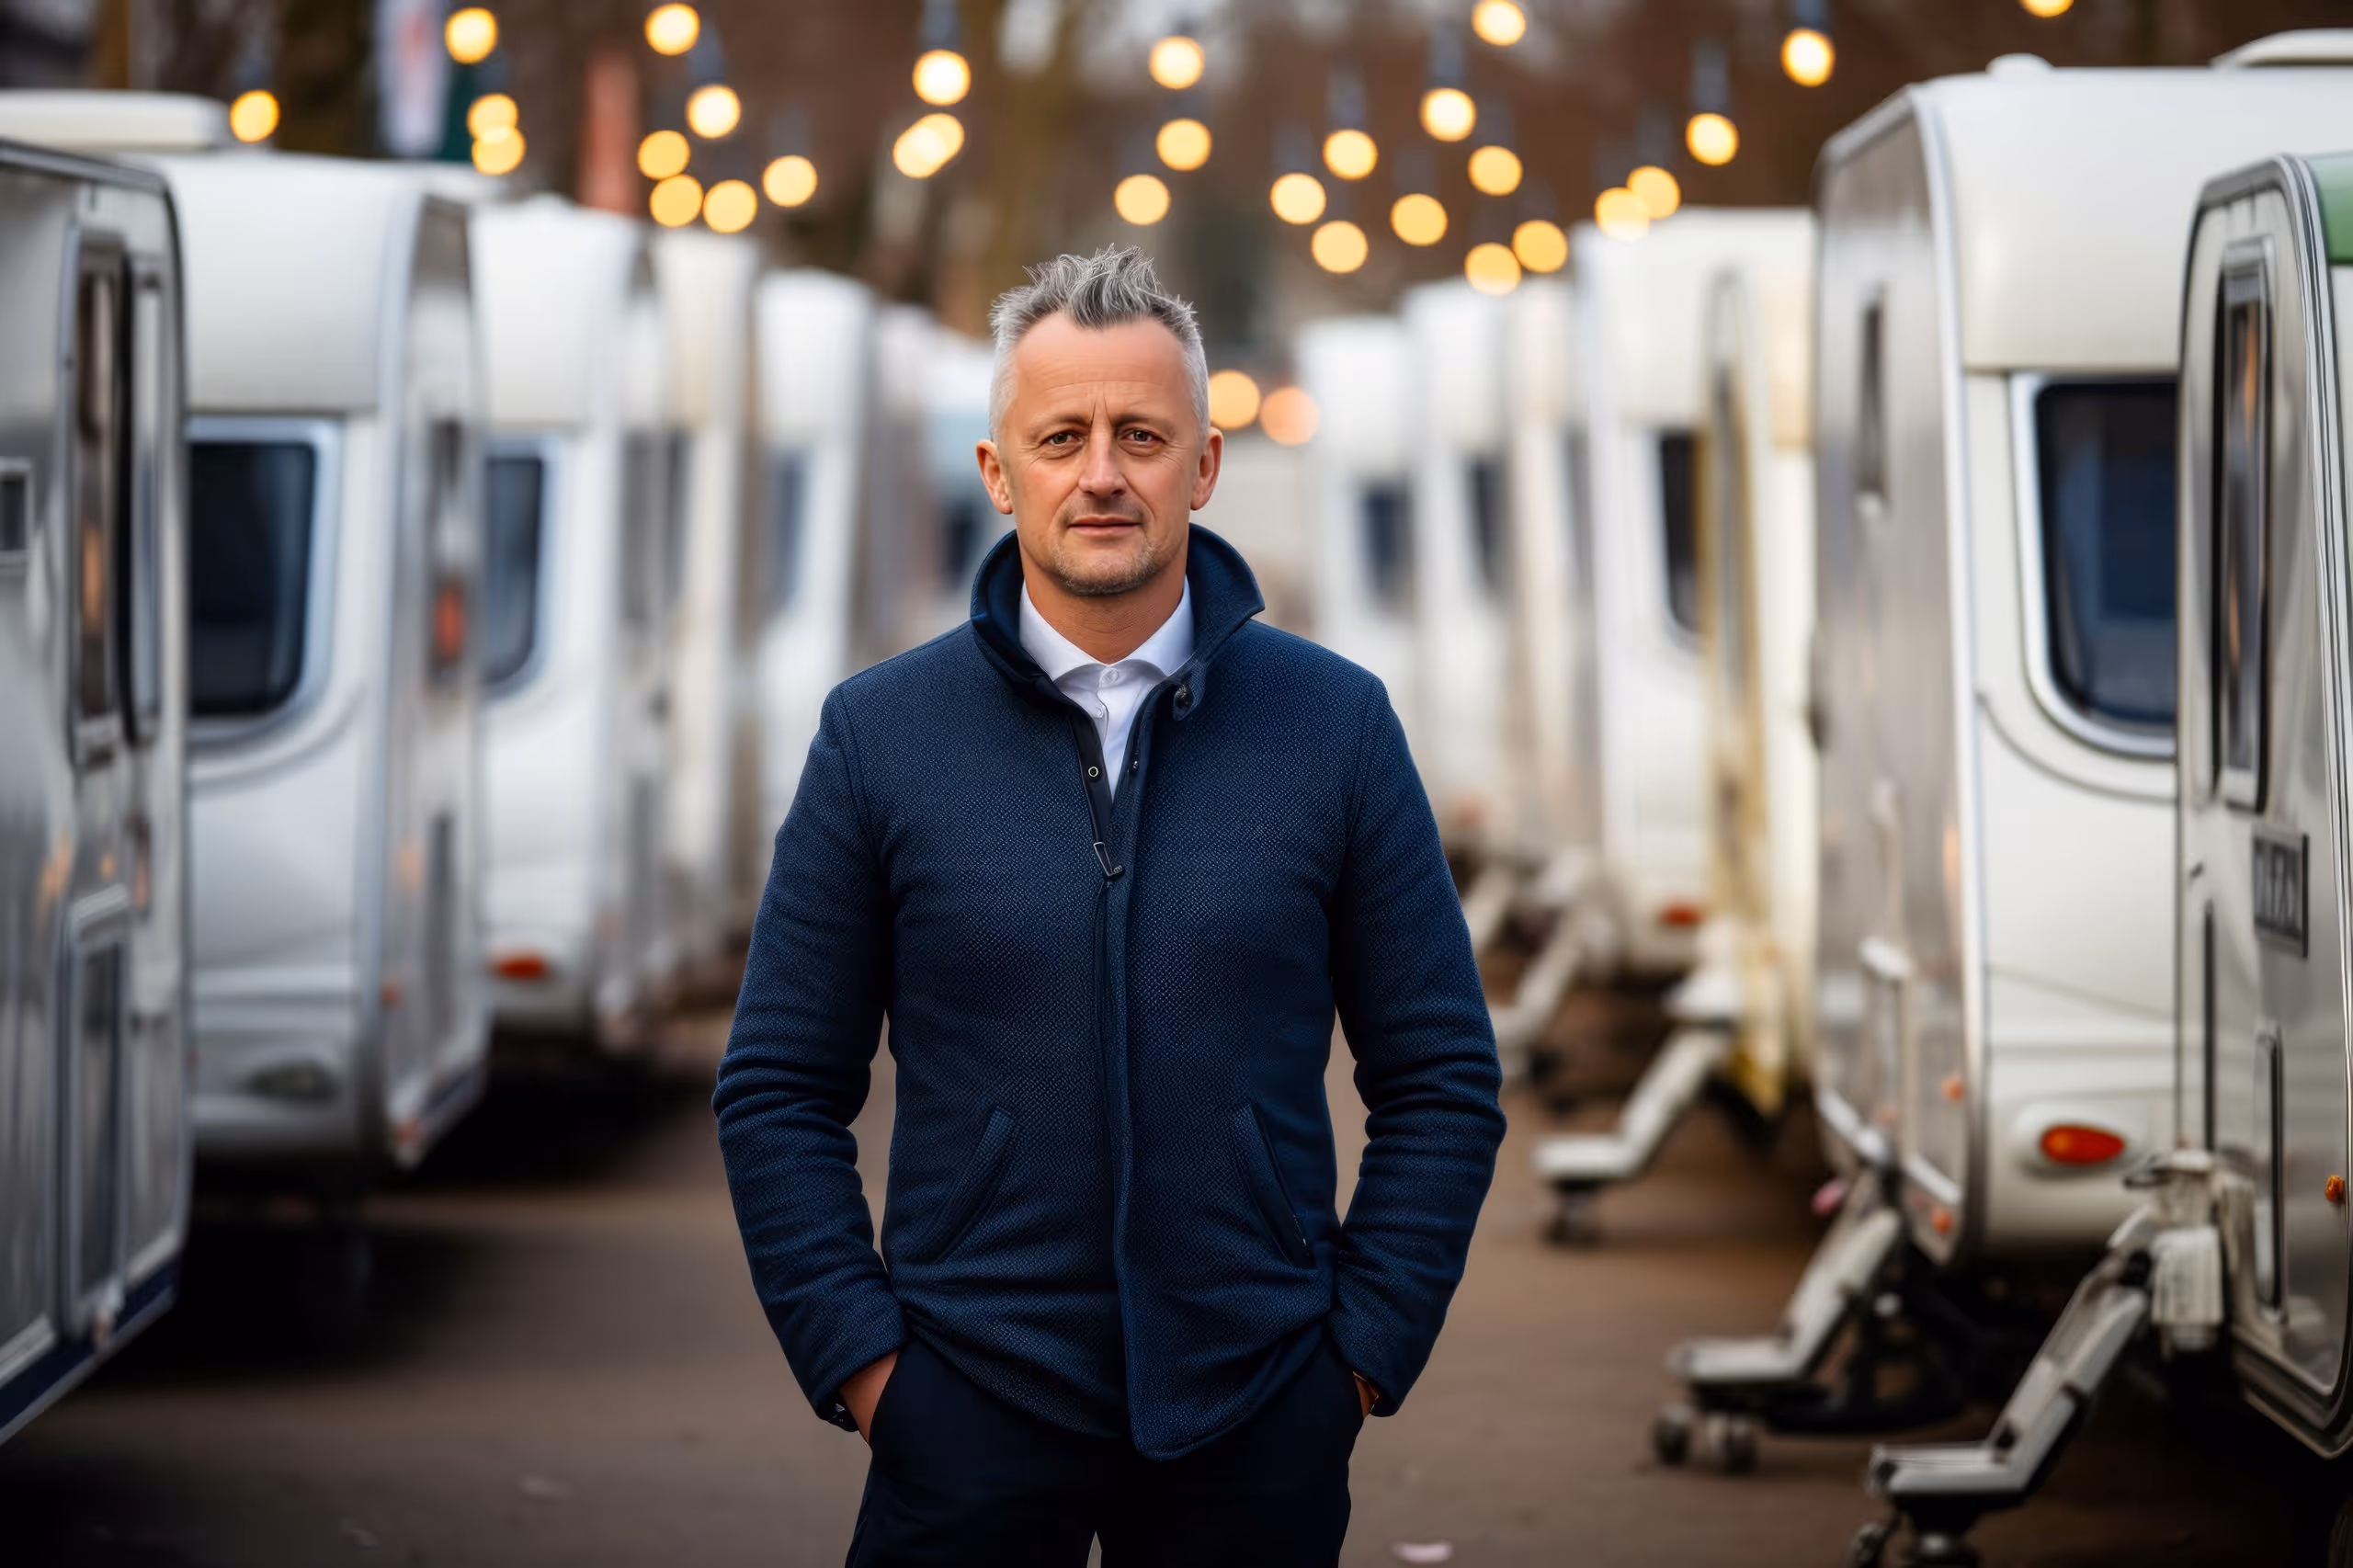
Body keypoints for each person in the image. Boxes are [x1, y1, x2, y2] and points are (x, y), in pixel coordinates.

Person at [714, 244, 1504, 1568]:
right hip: (964, 1406)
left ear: (1201, 465)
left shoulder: (1336, 727)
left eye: (1141, 435)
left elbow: (1441, 1077)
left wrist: (1357, 1361)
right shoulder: (879, 736)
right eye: (1062, 434)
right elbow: (778, 1085)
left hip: (1255, 1415)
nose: (1100, 473)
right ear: (997, 469)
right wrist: (867, 1367)